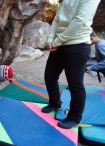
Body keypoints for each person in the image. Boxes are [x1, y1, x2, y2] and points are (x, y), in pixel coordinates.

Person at [41, 0, 101, 129]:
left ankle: (74, 117)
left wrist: (56, 41)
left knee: (75, 84)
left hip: (77, 45)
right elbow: (57, 18)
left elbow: (79, 22)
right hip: (59, 43)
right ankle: (55, 103)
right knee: (49, 77)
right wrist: (51, 39)